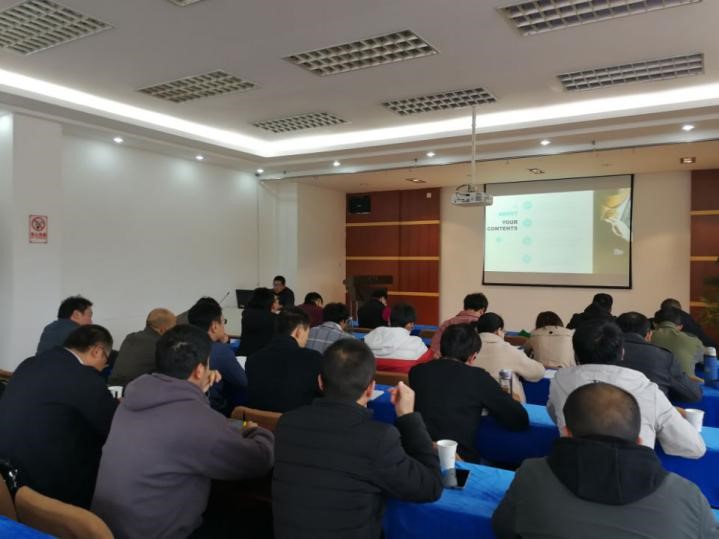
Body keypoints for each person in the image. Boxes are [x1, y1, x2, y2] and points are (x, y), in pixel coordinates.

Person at [92, 325, 274, 539]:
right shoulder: (196, 420)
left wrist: (196, 392)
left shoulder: (132, 399)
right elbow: (259, 460)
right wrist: (256, 431)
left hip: (108, 529)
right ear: (200, 370)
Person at [493, 383, 719, 539]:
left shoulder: (532, 476)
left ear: (567, 432)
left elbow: (503, 527)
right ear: (639, 440)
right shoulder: (687, 496)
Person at [272, 338, 442, 539]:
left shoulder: (287, 424)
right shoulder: (378, 439)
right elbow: (430, 487)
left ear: (320, 382)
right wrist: (408, 416)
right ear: (370, 389)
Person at [548, 321, 705, 458]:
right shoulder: (646, 388)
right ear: (622, 353)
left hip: (571, 468)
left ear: (575, 355)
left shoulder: (560, 380)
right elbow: (694, 447)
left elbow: (555, 415)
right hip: (633, 474)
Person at [0, 325, 117, 508]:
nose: (104, 367)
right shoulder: (85, 376)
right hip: (46, 489)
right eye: (106, 361)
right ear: (97, 351)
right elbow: (113, 428)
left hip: (6, 475)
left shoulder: (29, 363)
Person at [410, 324, 528, 462]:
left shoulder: (417, 372)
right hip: (458, 460)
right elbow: (519, 420)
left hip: (416, 454)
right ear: (473, 357)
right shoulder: (478, 378)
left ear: (441, 348)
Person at [246, 307, 322, 412]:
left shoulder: (253, 359)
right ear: (299, 331)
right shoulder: (313, 359)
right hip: (296, 420)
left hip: (257, 421)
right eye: (307, 333)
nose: (307, 339)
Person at [617, 311, 701, 402]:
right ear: (649, 334)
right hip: (652, 409)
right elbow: (693, 394)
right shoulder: (664, 357)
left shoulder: (607, 351)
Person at [188, 299, 247, 416]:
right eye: (223, 322)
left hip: (188, 406)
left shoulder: (181, 344)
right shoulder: (220, 350)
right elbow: (242, 381)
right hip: (214, 410)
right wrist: (224, 346)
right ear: (214, 326)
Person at [473, 313, 545, 403]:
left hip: (474, 404)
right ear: (498, 331)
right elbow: (538, 372)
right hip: (505, 405)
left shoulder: (469, 348)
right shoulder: (508, 349)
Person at [108, 308, 176, 387]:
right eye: (173, 328)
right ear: (163, 330)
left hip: (112, 386)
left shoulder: (130, 337)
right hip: (132, 389)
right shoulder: (161, 346)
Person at [364, 303, 431, 372]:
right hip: (405, 378)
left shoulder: (371, 337)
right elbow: (428, 362)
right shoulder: (417, 344)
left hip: (370, 377)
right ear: (410, 324)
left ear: (389, 321)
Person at [651, 306, 705, 377]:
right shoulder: (693, 339)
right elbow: (705, 361)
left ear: (654, 324)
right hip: (686, 383)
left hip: (653, 381)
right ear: (680, 326)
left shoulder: (646, 337)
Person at [429, 292, 488, 357]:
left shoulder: (447, 323)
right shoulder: (484, 325)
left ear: (465, 306)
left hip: (446, 360)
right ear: (482, 310)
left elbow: (434, 347)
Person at [238, 287, 278, 357]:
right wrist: (273, 312)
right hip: (263, 357)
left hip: (244, 354)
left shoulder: (246, 314)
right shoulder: (274, 319)